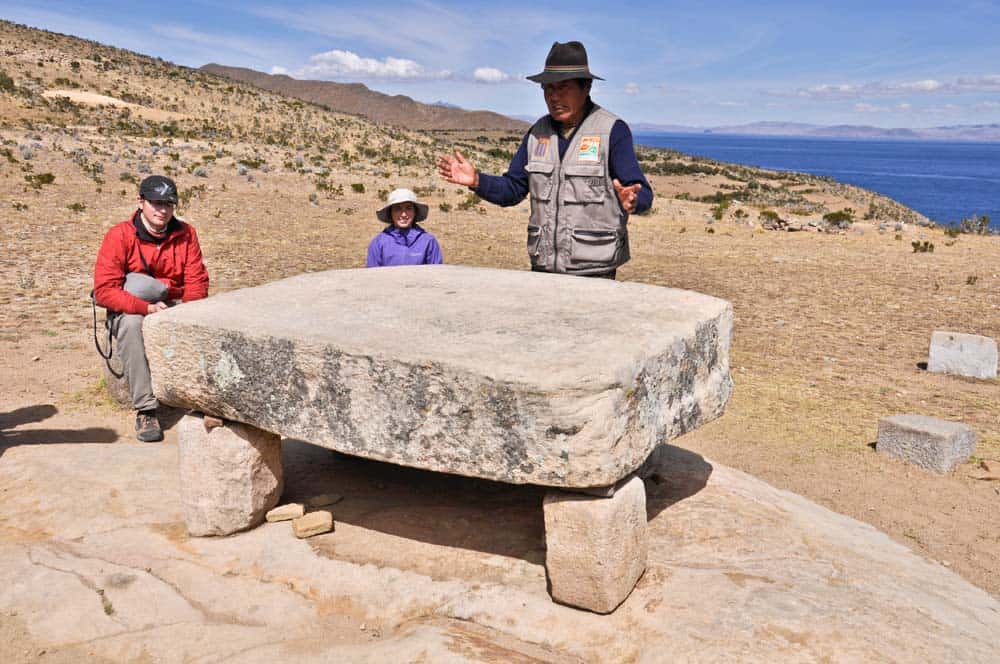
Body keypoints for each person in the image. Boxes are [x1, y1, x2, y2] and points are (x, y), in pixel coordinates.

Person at [437, 41, 653, 279]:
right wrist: (476, 180)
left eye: (564, 88)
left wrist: (633, 199)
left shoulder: (612, 130)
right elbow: (512, 190)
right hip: (542, 272)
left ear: (587, 86)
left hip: (595, 274)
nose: (554, 96)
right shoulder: (536, 133)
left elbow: (641, 192)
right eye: (548, 89)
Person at [93, 175, 209, 442]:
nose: (162, 210)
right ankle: (145, 409)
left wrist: (185, 313)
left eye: (168, 203)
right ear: (141, 202)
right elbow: (104, 291)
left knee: (205, 319)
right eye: (156, 203)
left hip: (174, 303)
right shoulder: (120, 235)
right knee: (132, 324)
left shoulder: (186, 233)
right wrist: (145, 308)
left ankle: (203, 399)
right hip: (132, 307)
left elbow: (196, 279)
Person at [366, 188, 443, 267]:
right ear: (390, 213)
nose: (403, 215)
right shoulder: (378, 243)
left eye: (408, 208)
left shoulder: (428, 241)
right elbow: (372, 276)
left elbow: (437, 274)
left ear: (415, 212)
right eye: (397, 209)